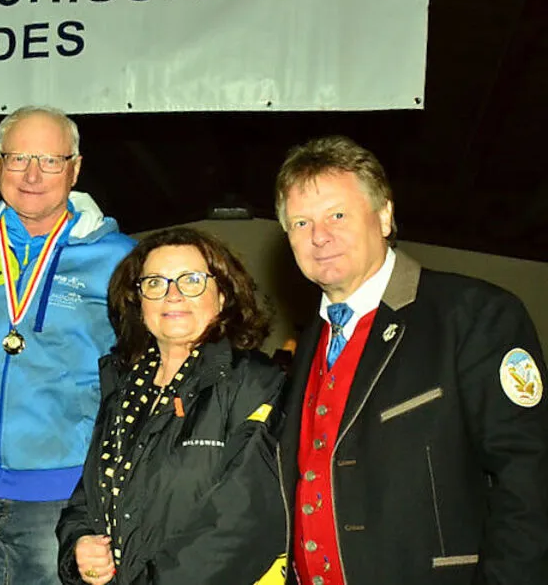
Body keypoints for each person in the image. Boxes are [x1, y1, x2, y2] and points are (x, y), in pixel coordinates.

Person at [275, 136, 548, 585]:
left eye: (337, 215)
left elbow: (528, 486)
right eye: (301, 222)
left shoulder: (473, 314)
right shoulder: (309, 344)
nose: (319, 236)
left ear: (384, 216)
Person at [0, 106, 135, 584]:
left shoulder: (118, 257)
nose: (32, 174)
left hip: (62, 493)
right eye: (19, 157)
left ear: (75, 168)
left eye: (49, 160)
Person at [57, 227, 287, 585]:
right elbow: (87, 498)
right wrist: (78, 546)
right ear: (138, 300)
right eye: (155, 283)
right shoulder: (124, 388)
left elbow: (244, 522)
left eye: (192, 280)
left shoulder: (256, 383)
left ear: (223, 295)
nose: (172, 295)